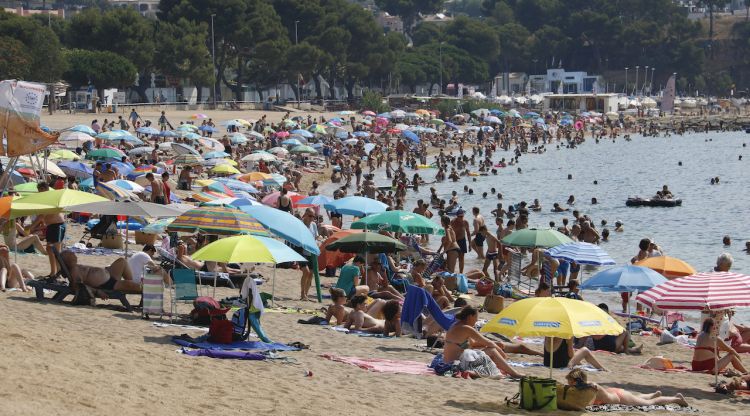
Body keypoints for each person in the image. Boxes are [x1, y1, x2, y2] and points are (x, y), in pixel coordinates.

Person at [442, 306, 524, 378]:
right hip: (456, 363)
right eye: (476, 318)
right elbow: (488, 342)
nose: (476, 321)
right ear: (470, 316)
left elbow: (473, 343)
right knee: (492, 350)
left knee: (484, 349)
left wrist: (495, 344)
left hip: (449, 360)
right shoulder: (467, 328)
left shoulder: (456, 325)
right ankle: (514, 373)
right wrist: (502, 353)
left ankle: (505, 369)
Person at [562, 369, 688, 410]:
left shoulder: (590, 387)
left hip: (619, 397)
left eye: (570, 382)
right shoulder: (583, 387)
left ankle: (676, 399)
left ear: (575, 381)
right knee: (637, 398)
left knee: (649, 404)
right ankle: (652, 394)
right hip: (613, 393)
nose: (569, 384)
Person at [27, 182, 66, 277]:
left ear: (46, 189)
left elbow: (41, 216)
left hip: (58, 225)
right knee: (49, 249)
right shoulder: (45, 199)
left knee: (56, 251)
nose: (39, 192)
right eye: (39, 191)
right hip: (51, 226)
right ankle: (54, 272)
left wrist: (31, 227)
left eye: (41, 190)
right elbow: (43, 217)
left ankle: (59, 271)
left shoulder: (50, 198)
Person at [61, 250, 141, 294]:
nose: (74, 254)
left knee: (122, 261)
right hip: (106, 284)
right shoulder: (74, 271)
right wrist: (97, 291)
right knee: (129, 284)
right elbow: (79, 287)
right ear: (68, 261)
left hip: (108, 274)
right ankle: (146, 289)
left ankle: (134, 285)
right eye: (71, 254)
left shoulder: (75, 267)